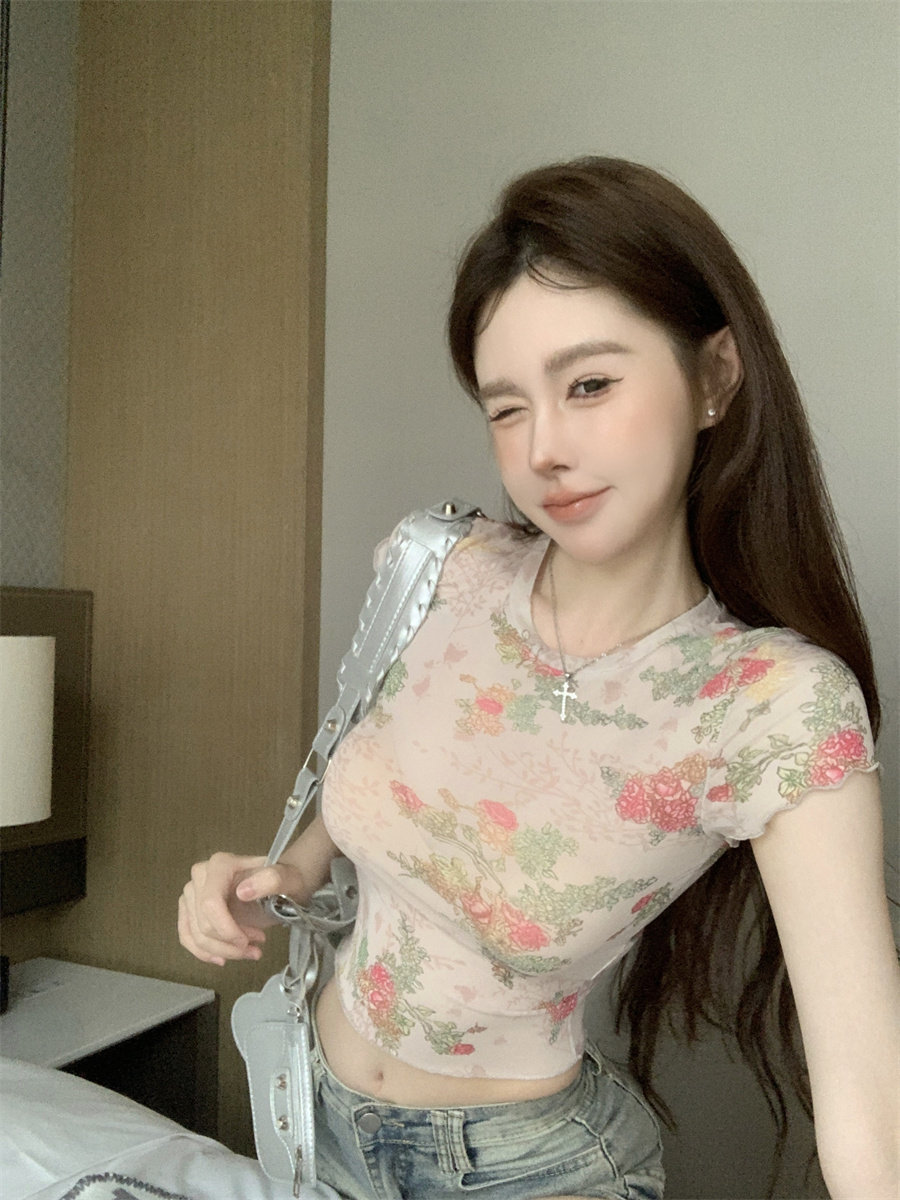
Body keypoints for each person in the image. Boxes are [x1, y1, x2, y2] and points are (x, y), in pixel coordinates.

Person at [178, 158, 899, 1200]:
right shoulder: (438, 569)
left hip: (527, 1173)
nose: (544, 450)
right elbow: (375, 758)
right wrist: (285, 873)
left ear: (714, 378)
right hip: (309, 1113)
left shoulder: (771, 709)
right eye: (507, 408)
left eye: (590, 385)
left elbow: (868, 1108)